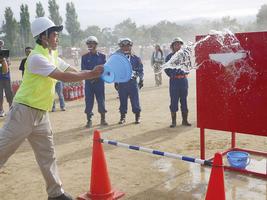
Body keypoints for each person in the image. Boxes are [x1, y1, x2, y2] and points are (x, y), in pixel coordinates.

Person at [0, 17, 103, 200]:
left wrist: (89, 73)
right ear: (44, 37)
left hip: (41, 114)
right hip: (23, 112)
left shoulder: (52, 54)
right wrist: (90, 74)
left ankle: (56, 194)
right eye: (54, 34)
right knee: (2, 150)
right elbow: (62, 76)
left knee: (48, 155)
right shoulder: (37, 58)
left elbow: (69, 69)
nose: (57, 38)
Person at [81, 36, 108, 128]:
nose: (90, 45)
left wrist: (96, 77)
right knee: (88, 101)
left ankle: (103, 119)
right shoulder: (84, 57)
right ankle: (89, 120)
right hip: (89, 83)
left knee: (101, 100)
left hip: (99, 82)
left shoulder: (102, 56)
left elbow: (105, 70)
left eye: (92, 43)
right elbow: (83, 70)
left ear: (96, 44)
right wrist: (91, 77)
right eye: (88, 44)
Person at [115, 38, 144, 124]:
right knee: (122, 100)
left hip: (132, 82)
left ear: (131, 46)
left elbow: (140, 70)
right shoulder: (117, 59)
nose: (126, 48)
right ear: (120, 47)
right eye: (123, 46)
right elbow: (115, 70)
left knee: (135, 100)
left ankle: (137, 116)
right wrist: (116, 81)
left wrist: (141, 79)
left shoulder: (136, 58)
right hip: (122, 82)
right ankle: (122, 117)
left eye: (128, 46)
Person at [165, 37, 191, 128]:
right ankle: (174, 122)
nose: (178, 46)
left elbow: (188, 67)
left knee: (184, 100)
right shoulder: (169, 57)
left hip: (183, 81)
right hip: (174, 81)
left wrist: (183, 73)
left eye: (179, 44)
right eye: (176, 44)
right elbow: (167, 70)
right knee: (174, 101)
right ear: (172, 46)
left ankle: (185, 120)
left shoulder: (185, 56)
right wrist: (173, 75)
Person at [0, 39, 13, 117]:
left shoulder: (5, 53)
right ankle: (1, 110)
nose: (0, 46)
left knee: (9, 93)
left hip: (6, 77)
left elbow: (9, 63)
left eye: (1, 44)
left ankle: (11, 109)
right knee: (0, 95)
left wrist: (4, 60)